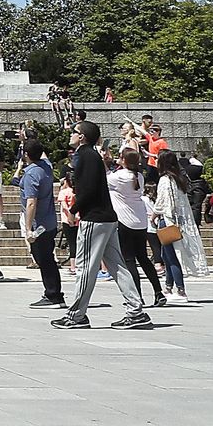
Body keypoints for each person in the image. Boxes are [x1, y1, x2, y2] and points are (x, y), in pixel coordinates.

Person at [53, 121, 147, 329]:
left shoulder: (83, 156)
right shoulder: (93, 156)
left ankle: (76, 315)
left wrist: (74, 210)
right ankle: (135, 310)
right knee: (118, 266)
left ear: (83, 137)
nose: (71, 135)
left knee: (85, 267)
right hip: (107, 218)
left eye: (75, 132)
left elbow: (87, 189)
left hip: (94, 218)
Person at [110, 147, 166, 306]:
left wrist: (105, 159)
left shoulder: (119, 177)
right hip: (140, 222)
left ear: (124, 160)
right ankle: (158, 292)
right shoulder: (139, 176)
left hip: (124, 221)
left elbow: (102, 177)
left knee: (129, 260)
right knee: (143, 258)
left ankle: (137, 297)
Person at [18, 139, 63, 307]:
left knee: (43, 259)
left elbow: (31, 202)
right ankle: (54, 292)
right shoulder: (46, 167)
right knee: (48, 258)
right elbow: (42, 154)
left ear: (26, 155)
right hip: (50, 221)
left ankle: (53, 295)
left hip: (39, 223)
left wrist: (28, 229)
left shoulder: (31, 174)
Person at [151, 151, 197, 304]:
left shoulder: (165, 179)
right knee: (167, 255)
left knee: (171, 257)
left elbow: (162, 201)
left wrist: (154, 215)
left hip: (167, 220)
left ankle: (180, 290)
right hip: (177, 221)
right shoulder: (179, 179)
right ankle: (168, 287)